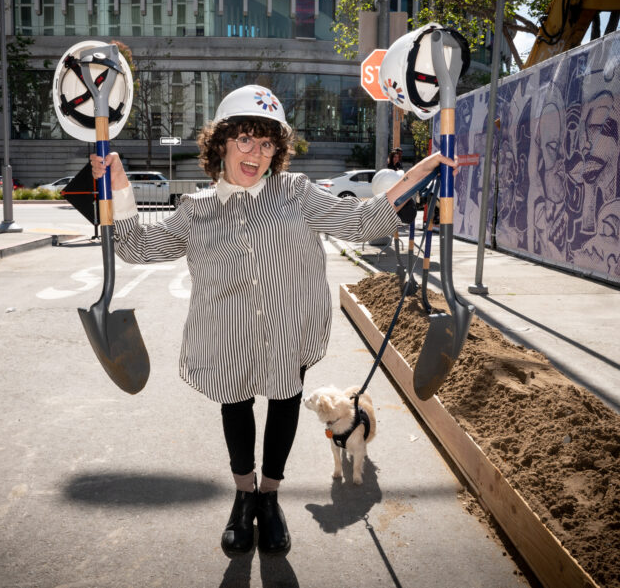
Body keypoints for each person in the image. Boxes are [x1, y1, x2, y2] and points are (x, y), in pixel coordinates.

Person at [90, 85, 455, 555]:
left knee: (285, 404)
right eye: (244, 139)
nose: (255, 153)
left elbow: (363, 224)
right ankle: (244, 497)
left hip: (290, 331)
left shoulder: (297, 193)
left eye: (266, 144)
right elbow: (138, 247)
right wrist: (118, 185)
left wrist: (424, 170)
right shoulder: (196, 210)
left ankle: (270, 497)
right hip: (226, 335)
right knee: (236, 407)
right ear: (219, 143)